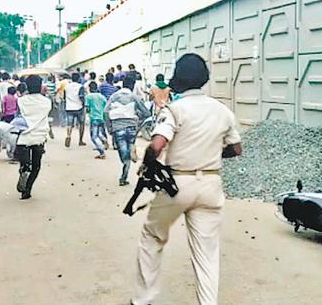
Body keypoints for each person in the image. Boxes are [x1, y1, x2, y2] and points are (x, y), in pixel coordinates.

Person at [130, 53, 242, 305]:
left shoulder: (176, 109)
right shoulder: (222, 111)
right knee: (207, 255)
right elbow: (236, 149)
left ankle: (142, 299)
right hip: (211, 185)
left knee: (152, 236)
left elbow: (157, 144)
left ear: (179, 78)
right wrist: (212, 153)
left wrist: (148, 164)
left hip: (178, 184)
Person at [105, 75, 150, 186]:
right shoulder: (134, 97)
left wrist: (109, 127)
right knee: (129, 148)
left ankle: (124, 173)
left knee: (123, 154)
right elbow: (146, 113)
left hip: (117, 127)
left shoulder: (114, 96)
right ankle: (131, 152)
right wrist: (138, 121)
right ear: (132, 85)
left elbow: (105, 112)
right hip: (131, 127)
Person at [15, 75, 52, 200]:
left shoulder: (21, 100)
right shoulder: (47, 102)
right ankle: (27, 190)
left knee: (25, 163)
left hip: (24, 137)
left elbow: (18, 115)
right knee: (36, 166)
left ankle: (24, 169)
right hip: (39, 136)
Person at [85, 82, 109, 159]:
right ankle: (104, 140)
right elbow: (106, 107)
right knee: (99, 133)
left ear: (89, 88)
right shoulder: (102, 96)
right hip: (101, 118)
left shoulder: (88, 97)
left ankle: (101, 151)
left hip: (94, 117)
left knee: (94, 136)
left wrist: (88, 113)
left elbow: (87, 108)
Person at [64, 72, 86, 147]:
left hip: (69, 107)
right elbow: (81, 96)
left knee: (69, 124)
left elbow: (64, 96)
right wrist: (84, 104)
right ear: (79, 78)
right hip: (78, 107)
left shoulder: (67, 86)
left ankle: (68, 135)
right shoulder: (80, 86)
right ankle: (80, 140)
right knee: (81, 124)